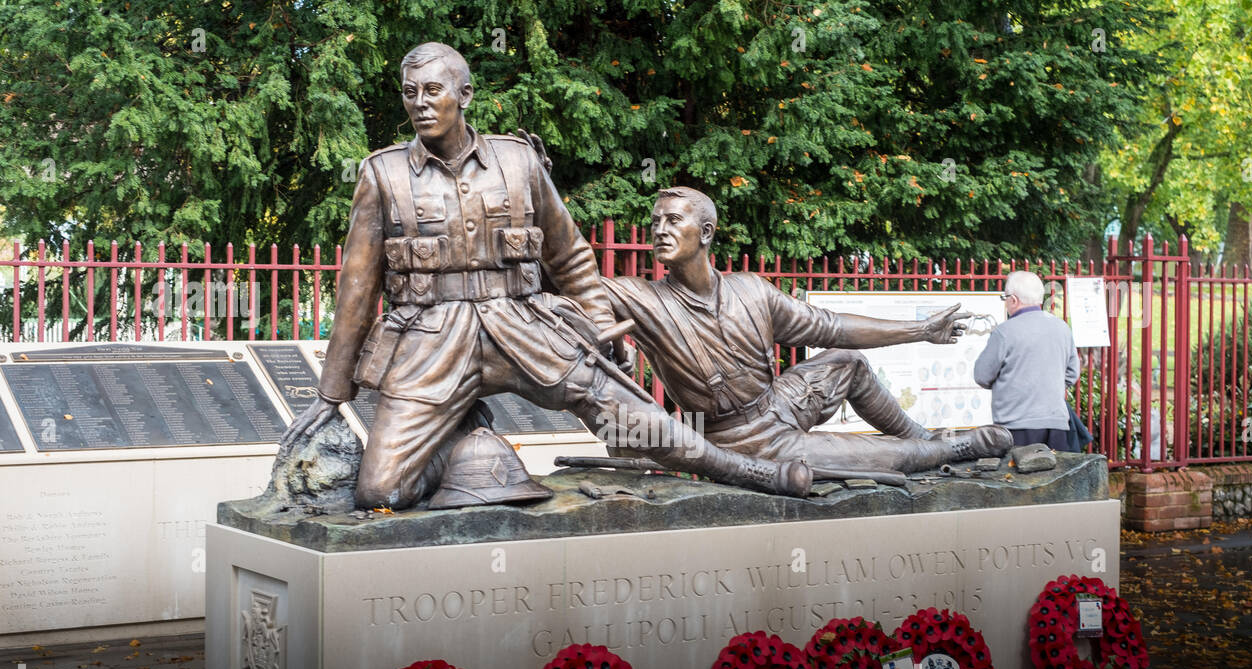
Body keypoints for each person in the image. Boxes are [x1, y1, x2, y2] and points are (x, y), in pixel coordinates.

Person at [281, 43, 810, 505]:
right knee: (382, 492)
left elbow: (570, 256)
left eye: (433, 90)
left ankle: (749, 471)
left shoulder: (518, 162)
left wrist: (602, 330)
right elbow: (356, 289)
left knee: (626, 415)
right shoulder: (383, 173)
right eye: (409, 92)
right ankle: (461, 442)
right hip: (429, 343)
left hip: (523, 327)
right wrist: (332, 391)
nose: (419, 103)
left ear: (464, 96)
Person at [601, 187, 1013, 474]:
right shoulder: (642, 297)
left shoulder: (752, 290)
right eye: (655, 222)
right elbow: (577, 288)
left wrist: (921, 329)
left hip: (778, 403)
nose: (659, 230)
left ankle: (922, 438)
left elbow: (830, 326)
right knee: (882, 456)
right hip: (738, 438)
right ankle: (946, 450)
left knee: (847, 362)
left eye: (673, 220)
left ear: (706, 233)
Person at [972, 271, 1080, 451]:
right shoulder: (1061, 328)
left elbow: (982, 375)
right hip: (1056, 422)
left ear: (1013, 300)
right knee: (1057, 475)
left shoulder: (1005, 332)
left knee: (1019, 477)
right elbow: (1072, 373)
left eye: (1005, 298)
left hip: (1015, 423)